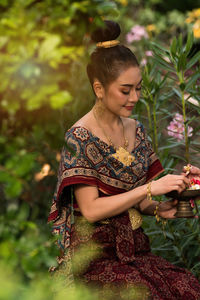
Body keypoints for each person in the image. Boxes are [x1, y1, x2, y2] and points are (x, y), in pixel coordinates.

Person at [48, 20, 200, 300]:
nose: (135, 98)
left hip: (135, 250)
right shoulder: (79, 137)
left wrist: (166, 206)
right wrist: (150, 188)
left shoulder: (136, 129)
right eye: (125, 90)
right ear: (99, 88)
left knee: (189, 288)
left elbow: (141, 202)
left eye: (139, 89)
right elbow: (91, 210)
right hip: (96, 258)